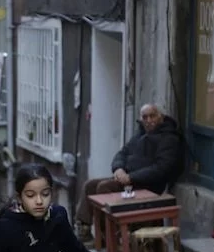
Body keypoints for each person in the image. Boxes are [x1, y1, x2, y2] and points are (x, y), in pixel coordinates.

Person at [75, 103, 185, 240]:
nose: (149, 120)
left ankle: (109, 236)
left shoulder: (169, 138)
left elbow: (161, 168)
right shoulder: (139, 135)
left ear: (161, 117)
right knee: (90, 185)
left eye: (152, 116)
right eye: (145, 117)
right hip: (128, 180)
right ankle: (84, 230)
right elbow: (122, 153)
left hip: (146, 186)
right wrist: (118, 168)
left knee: (105, 187)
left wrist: (131, 177)